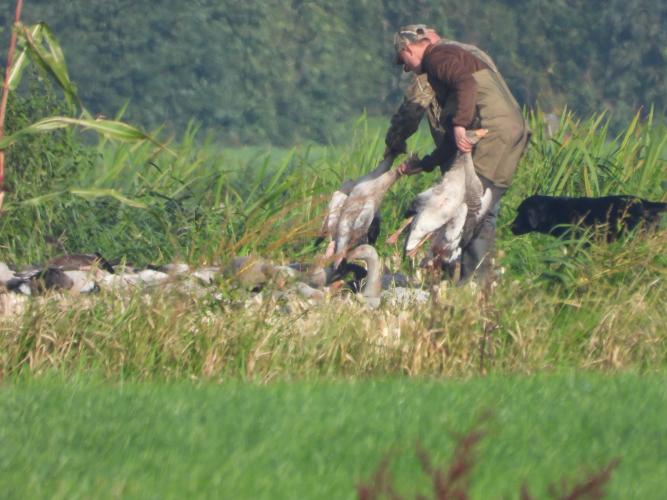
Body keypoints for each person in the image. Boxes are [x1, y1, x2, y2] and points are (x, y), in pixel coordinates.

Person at [386, 24, 529, 284]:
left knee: (466, 213)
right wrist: (428, 163)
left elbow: (415, 111)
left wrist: (393, 146)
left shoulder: (437, 60)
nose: (406, 68)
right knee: (481, 209)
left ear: (408, 47)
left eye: (403, 60)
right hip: (511, 133)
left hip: (487, 138)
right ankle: (475, 286)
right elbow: (461, 116)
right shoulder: (469, 53)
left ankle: (453, 283)